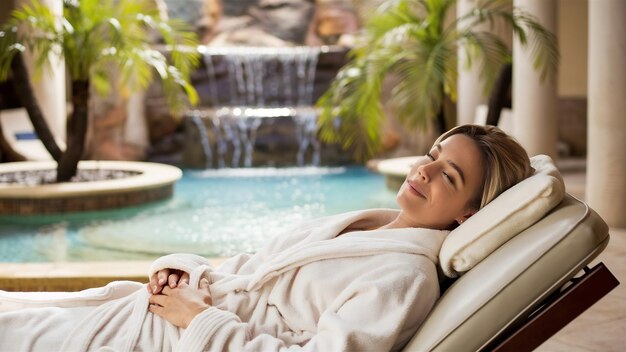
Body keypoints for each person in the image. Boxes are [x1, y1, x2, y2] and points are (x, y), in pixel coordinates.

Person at [0, 124, 531, 351]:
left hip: (180, 338)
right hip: (175, 315)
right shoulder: (374, 224)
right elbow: (255, 265)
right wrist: (185, 272)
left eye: (450, 176)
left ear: (468, 216)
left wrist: (197, 317)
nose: (424, 170)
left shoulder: (404, 278)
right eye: (435, 155)